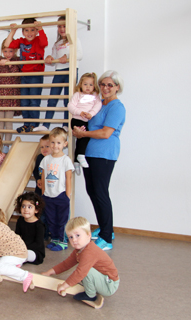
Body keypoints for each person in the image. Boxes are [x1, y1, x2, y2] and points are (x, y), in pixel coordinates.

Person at [72, 70, 125, 251]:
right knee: (92, 191)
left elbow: (105, 132)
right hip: (90, 153)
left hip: (105, 154)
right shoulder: (99, 103)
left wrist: (83, 133)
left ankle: (106, 237)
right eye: (102, 84)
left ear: (117, 87)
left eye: (110, 85)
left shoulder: (117, 107)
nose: (105, 88)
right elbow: (81, 115)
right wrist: (77, 129)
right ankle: (105, 228)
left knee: (101, 192)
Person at [41, 217, 119, 309]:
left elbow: (80, 272)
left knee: (85, 271)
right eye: (70, 237)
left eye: (77, 235)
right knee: (84, 270)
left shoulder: (90, 252)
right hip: (103, 279)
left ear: (88, 235)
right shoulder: (79, 250)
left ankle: (90, 296)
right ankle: (91, 287)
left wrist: (65, 285)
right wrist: (49, 272)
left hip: (109, 284)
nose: (74, 240)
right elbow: (66, 264)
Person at [35, 16, 83, 132]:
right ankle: (45, 124)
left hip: (70, 70)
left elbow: (80, 55)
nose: (62, 29)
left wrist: (67, 57)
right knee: (52, 98)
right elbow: (54, 58)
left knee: (67, 99)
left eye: (64, 26)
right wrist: (50, 58)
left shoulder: (74, 40)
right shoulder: (58, 43)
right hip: (59, 71)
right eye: (59, 26)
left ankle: (66, 124)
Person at [5, 18, 48, 133]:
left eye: (32, 30)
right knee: (24, 101)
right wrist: (13, 31)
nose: (29, 33)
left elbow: (45, 43)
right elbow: (7, 44)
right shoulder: (21, 41)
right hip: (24, 75)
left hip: (36, 75)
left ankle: (34, 124)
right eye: (26, 30)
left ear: (37, 31)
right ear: (23, 32)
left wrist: (41, 28)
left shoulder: (39, 40)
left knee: (33, 101)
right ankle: (26, 123)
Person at [40, 127, 74, 251]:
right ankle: (54, 239)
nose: (55, 145)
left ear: (65, 144)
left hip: (61, 195)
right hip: (48, 195)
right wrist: (44, 192)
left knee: (62, 220)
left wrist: (67, 195)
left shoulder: (66, 160)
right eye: (53, 142)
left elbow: (68, 178)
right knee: (51, 219)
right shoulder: (46, 159)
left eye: (59, 143)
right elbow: (43, 176)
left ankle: (63, 241)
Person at [0, 40, 21, 149]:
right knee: (0, 123)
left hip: (11, 95)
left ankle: (6, 145)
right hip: (0, 95)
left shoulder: (17, 60)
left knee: (8, 123)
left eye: (10, 51)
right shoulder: (0, 59)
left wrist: (10, 65)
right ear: (2, 51)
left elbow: (18, 74)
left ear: (15, 51)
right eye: (5, 51)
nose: (8, 54)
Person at [67, 72, 102, 173]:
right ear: (81, 85)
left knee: (81, 140)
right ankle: (81, 156)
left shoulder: (95, 96)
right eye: (85, 84)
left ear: (94, 86)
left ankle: (76, 162)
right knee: (84, 137)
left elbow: (98, 105)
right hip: (76, 120)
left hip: (86, 121)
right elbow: (70, 106)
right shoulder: (78, 95)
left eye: (91, 85)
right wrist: (79, 112)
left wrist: (91, 113)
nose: (88, 87)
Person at [14, 192, 46, 265]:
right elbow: (17, 236)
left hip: (35, 253)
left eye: (29, 207)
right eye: (23, 206)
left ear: (36, 210)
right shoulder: (20, 220)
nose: (26, 210)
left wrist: (22, 247)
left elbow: (38, 244)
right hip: (22, 248)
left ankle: (18, 260)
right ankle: (17, 259)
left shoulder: (39, 225)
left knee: (25, 254)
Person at [33, 134, 51, 240]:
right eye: (42, 147)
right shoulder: (39, 157)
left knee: (49, 214)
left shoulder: (53, 159)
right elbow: (36, 171)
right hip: (40, 191)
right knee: (41, 213)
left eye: (47, 146)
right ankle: (42, 234)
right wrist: (38, 179)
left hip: (49, 192)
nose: (44, 149)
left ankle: (49, 232)